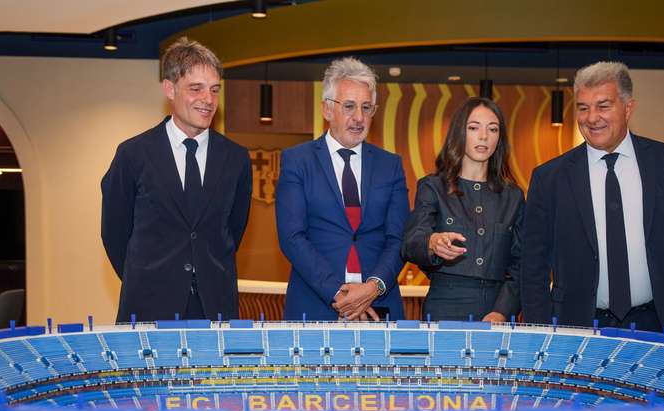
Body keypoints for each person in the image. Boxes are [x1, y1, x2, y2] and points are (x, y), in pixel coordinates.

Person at [521, 61, 664, 336]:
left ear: (628, 107)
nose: (592, 118)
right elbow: (532, 264)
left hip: (662, 324)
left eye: (603, 106)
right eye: (583, 108)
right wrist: (542, 329)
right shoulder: (549, 178)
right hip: (578, 329)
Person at [102, 37, 252, 323]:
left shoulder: (236, 159)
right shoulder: (133, 154)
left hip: (214, 308)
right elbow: (114, 232)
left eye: (214, 90)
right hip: (148, 306)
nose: (208, 100)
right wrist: (147, 276)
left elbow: (233, 231)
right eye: (196, 89)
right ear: (169, 88)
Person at [276, 57, 409, 321]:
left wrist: (373, 288)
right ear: (327, 109)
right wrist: (339, 294)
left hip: (378, 307)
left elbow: (400, 238)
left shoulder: (390, 165)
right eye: (349, 106)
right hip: (316, 305)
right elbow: (292, 237)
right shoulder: (297, 161)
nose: (359, 118)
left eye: (366, 107)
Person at [402, 97, 523, 322]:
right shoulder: (433, 187)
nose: (484, 136)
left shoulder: (513, 196)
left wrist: (502, 311)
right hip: (444, 307)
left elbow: (521, 265)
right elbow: (410, 243)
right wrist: (431, 242)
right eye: (474, 127)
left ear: (500, 138)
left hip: (495, 310)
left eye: (493, 129)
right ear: (459, 133)